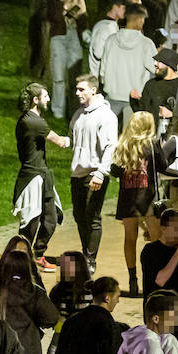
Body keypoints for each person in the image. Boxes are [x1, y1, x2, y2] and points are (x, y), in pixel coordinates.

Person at [13, 83, 70, 271]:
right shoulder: (33, 121)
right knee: (31, 221)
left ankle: (37, 254)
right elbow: (60, 142)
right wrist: (76, 136)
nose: (48, 99)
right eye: (45, 96)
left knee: (51, 218)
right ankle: (20, 259)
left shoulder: (32, 119)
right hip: (32, 177)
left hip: (43, 174)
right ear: (36, 100)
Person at [110, 112, 165, 296]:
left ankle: (133, 279)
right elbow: (163, 165)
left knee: (130, 238)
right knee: (156, 238)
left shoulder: (124, 144)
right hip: (148, 197)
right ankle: (155, 276)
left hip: (128, 197)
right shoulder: (151, 144)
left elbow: (114, 171)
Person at [68, 75, 118, 271]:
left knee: (92, 215)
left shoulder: (106, 115)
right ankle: (85, 251)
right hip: (78, 172)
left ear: (93, 90)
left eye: (81, 89)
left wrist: (101, 172)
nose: (77, 93)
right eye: (77, 89)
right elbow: (73, 138)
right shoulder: (78, 114)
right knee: (79, 216)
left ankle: (90, 259)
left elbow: (110, 146)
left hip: (95, 172)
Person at [98, 2, 157, 130]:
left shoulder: (111, 40)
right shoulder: (146, 44)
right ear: (140, 20)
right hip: (135, 99)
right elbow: (156, 69)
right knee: (130, 140)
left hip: (112, 95)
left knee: (107, 136)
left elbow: (102, 71)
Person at [140, 209, 178, 342]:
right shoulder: (150, 251)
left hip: (177, 313)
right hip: (159, 315)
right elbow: (160, 280)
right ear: (163, 228)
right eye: (177, 228)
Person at [46, 0, 87, 120]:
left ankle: (74, 109)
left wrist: (79, 14)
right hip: (59, 38)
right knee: (58, 75)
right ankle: (58, 109)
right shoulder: (53, 0)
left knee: (75, 74)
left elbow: (83, 22)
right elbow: (55, 18)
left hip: (74, 37)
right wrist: (63, 5)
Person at [86, 0, 126, 82]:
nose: (125, 12)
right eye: (123, 8)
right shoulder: (106, 26)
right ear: (115, 7)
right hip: (99, 77)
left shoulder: (110, 24)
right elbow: (98, 53)